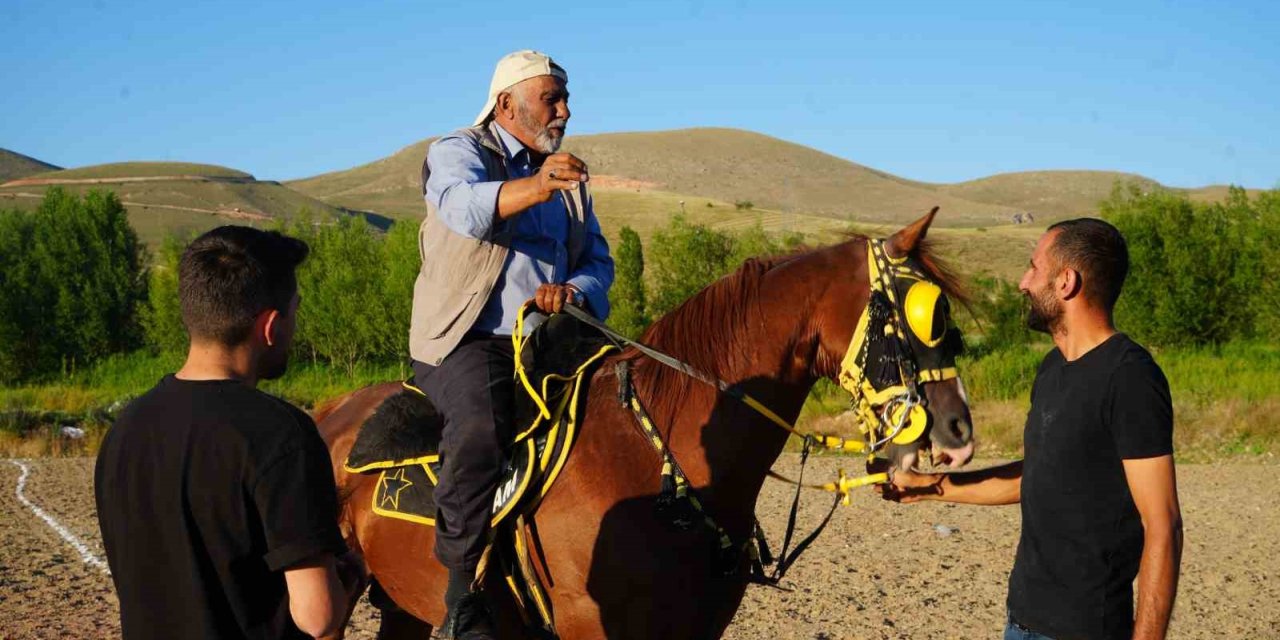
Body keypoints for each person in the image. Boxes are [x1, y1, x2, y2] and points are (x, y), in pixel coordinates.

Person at [879, 218, 1183, 640]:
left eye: (1033, 268)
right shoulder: (1053, 368)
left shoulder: (1129, 377)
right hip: (1021, 622)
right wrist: (931, 487)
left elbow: (1163, 525)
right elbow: (1038, 476)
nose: (1023, 283)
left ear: (1066, 282)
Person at [408, 50, 614, 638]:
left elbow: (598, 259)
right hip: (467, 338)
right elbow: (463, 209)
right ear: (507, 104)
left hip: (549, 339)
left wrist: (574, 290)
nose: (565, 111)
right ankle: (460, 600)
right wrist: (535, 186)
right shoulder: (459, 152)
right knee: (480, 428)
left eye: (565, 99)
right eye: (553, 99)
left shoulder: (567, 178)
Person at [95, 226, 366, 639]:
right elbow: (319, 617)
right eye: (295, 311)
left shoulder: (124, 430)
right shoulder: (280, 433)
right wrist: (353, 574)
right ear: (271, 325)